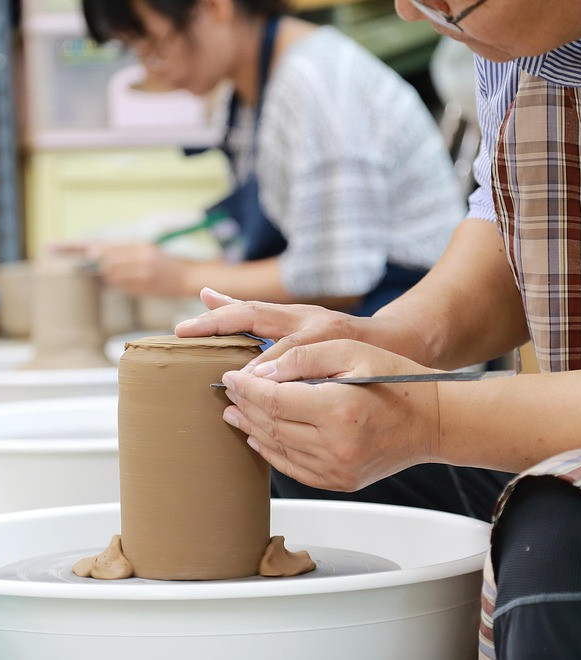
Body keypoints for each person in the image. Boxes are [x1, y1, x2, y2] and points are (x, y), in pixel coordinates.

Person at [174, 0, 581, 656]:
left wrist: (427, 419)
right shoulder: (520, 33)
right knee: (298, 447)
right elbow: (516, 225)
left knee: (566, 537)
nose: (411, 11)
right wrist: (386, 340)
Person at [82, 0, 515, 518]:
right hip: (372, 331)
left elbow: (336, 279)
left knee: (251, 440)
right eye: (135, 52)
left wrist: (178, 276)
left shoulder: (314, 81)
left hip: (415, 340)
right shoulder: (248, 92)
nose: (154, 68)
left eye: (155, 45)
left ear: (215, 8)